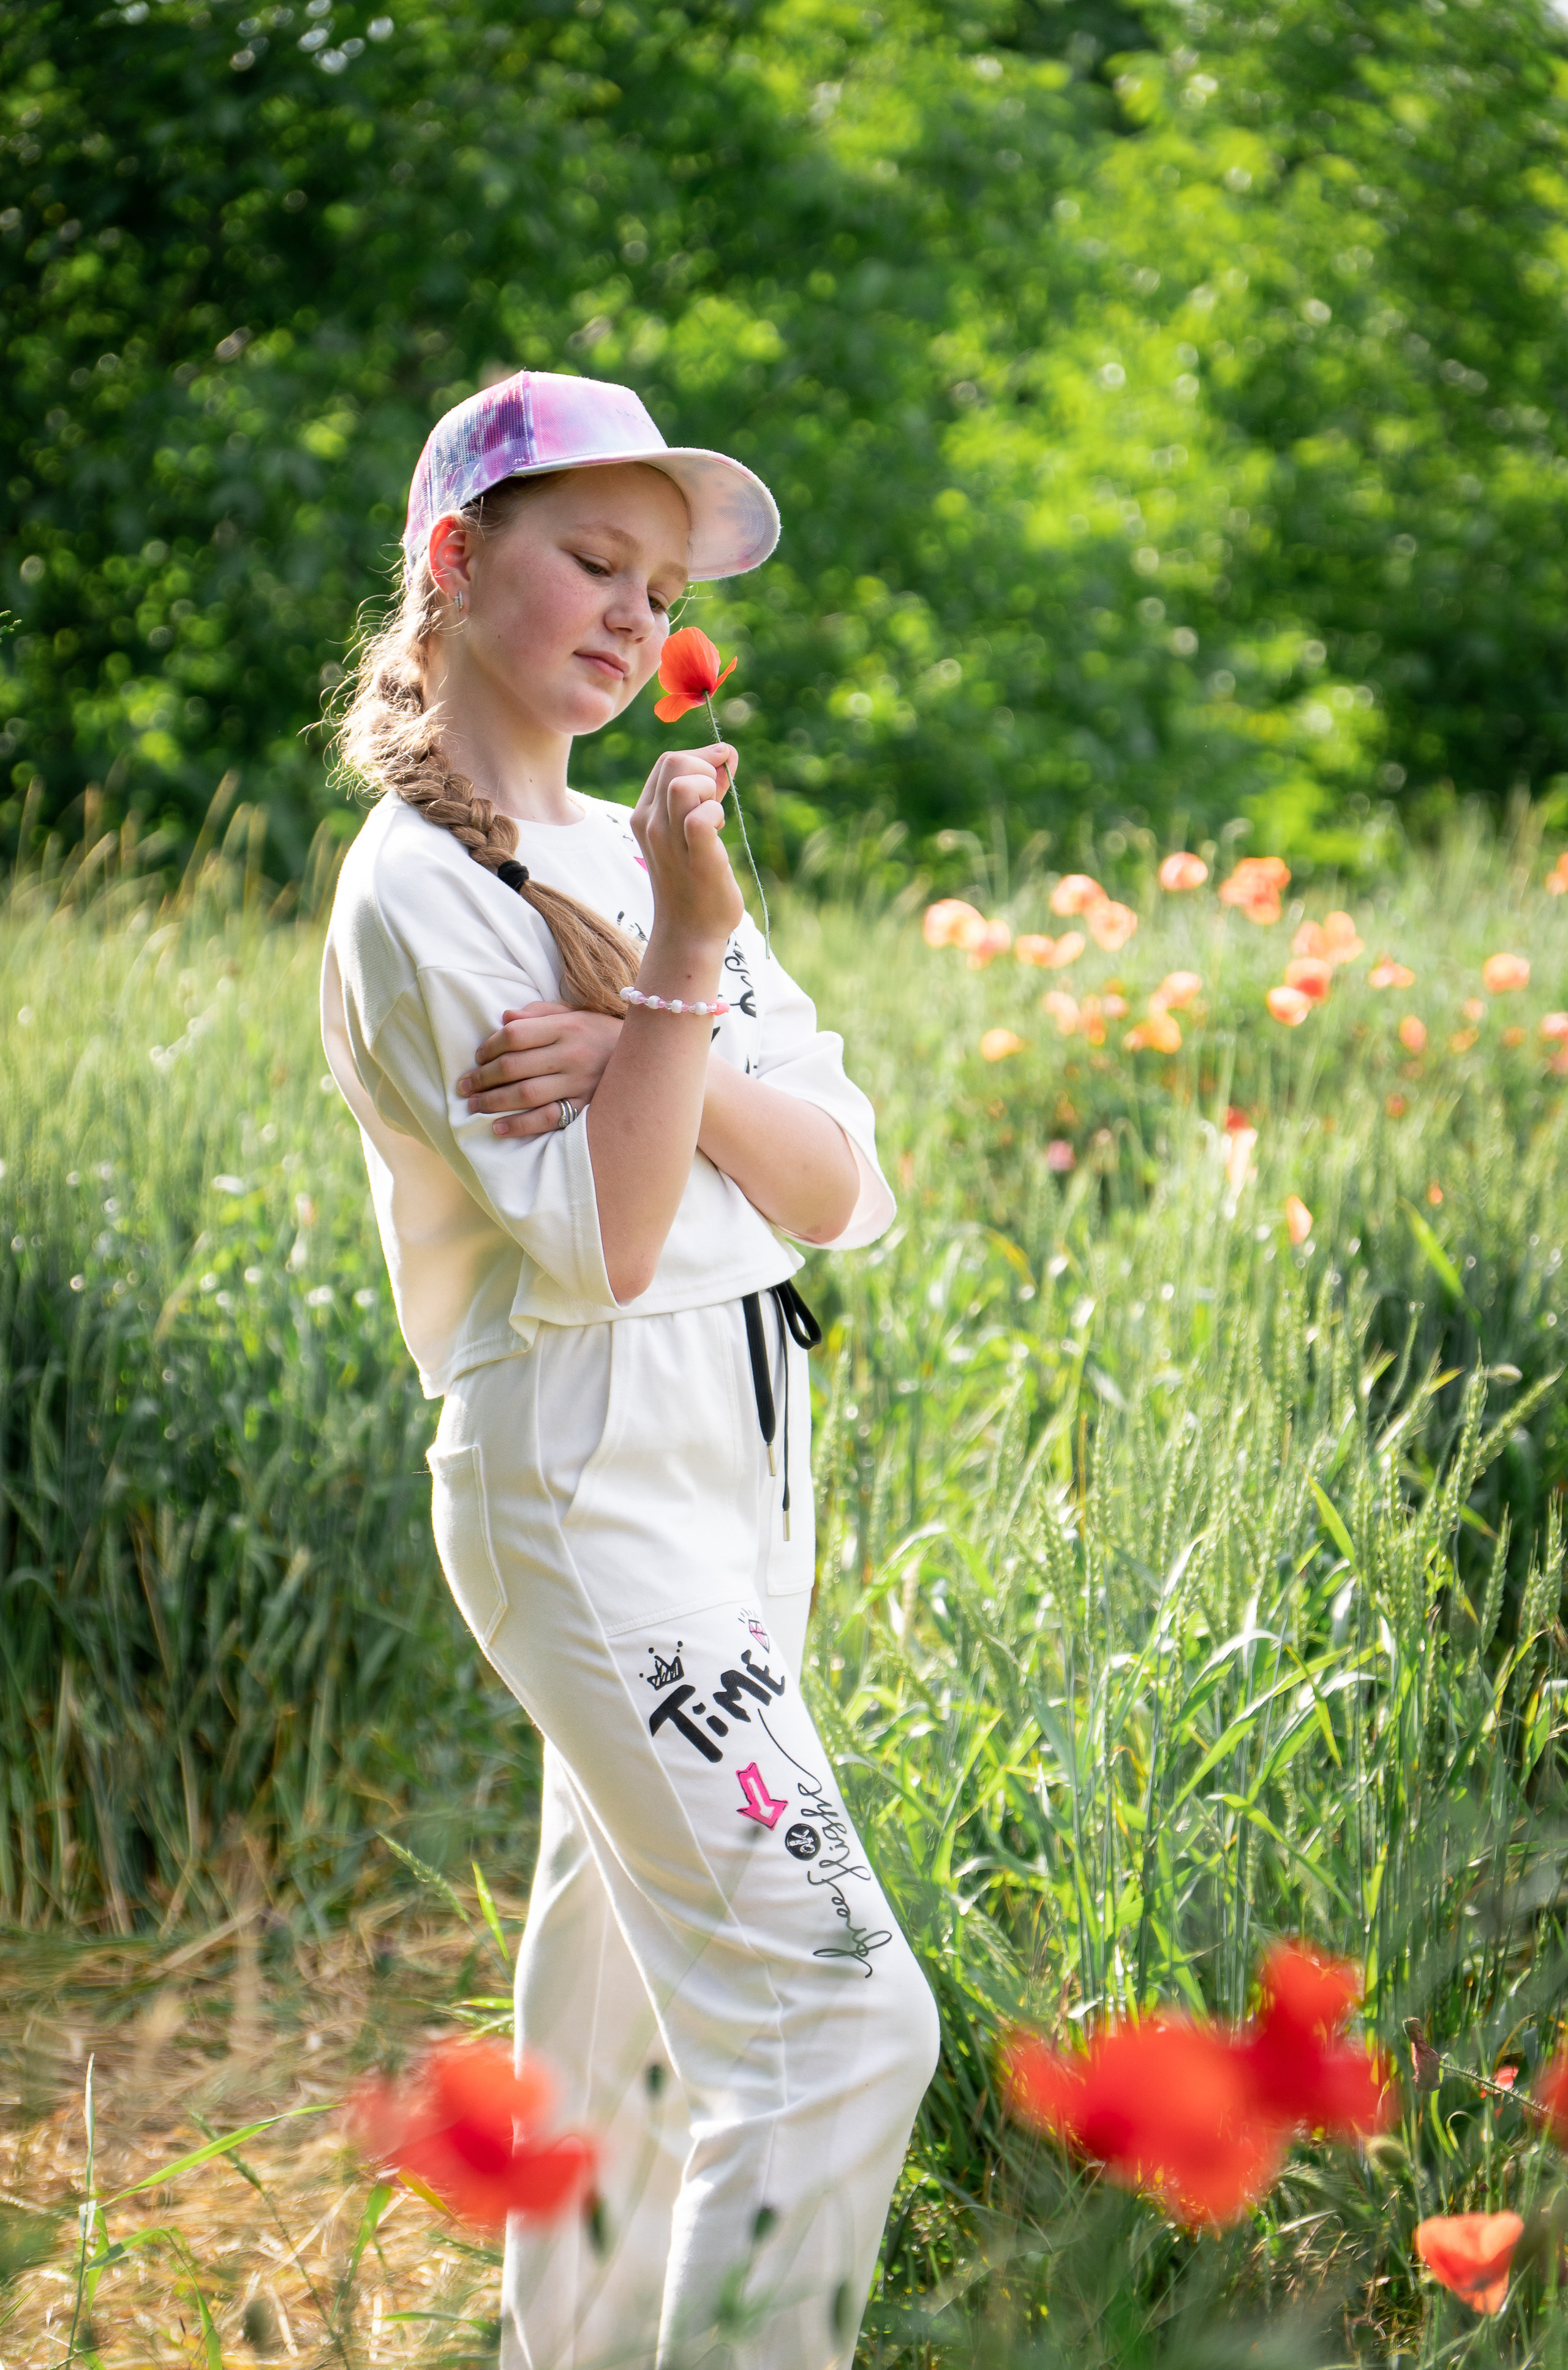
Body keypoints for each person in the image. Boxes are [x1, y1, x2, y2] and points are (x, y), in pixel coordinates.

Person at [322, 370, 940, 2370]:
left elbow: (852, 1192)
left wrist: (657, 1045)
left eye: (655, 583)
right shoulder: (423, 888)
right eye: (591, 558)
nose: (631, 615)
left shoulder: (633, 845)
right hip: (590, 1478)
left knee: (631, 2033)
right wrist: (679, 974)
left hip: (744, 1456)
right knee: (841, 2017)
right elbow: (608, 1237)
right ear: (454, 558)